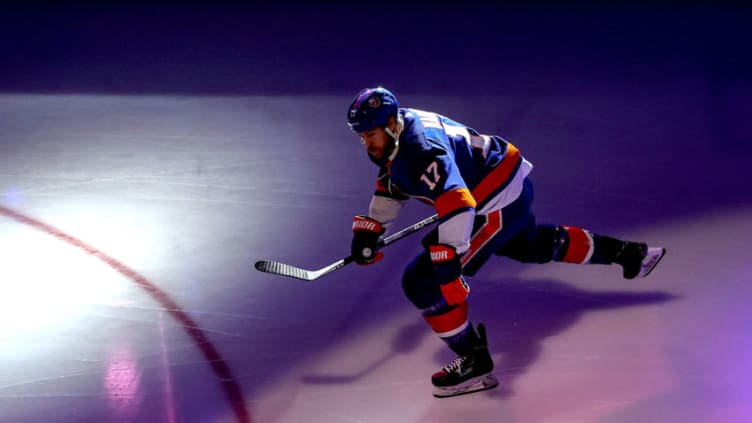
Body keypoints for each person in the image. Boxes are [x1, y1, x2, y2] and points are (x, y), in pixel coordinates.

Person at [346, 87, 666, 398]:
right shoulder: (400, 129)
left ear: (390, 125)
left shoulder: (421, 148)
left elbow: (458, 203)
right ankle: (628, 254)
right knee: (528, 245)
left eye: (370, 135)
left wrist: (449, 263)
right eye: (361, 136)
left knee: (420, 281)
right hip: (509, 185)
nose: (366, 143)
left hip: (491, 202)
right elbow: (395, 179)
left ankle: (475, 362)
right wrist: (373, 228)